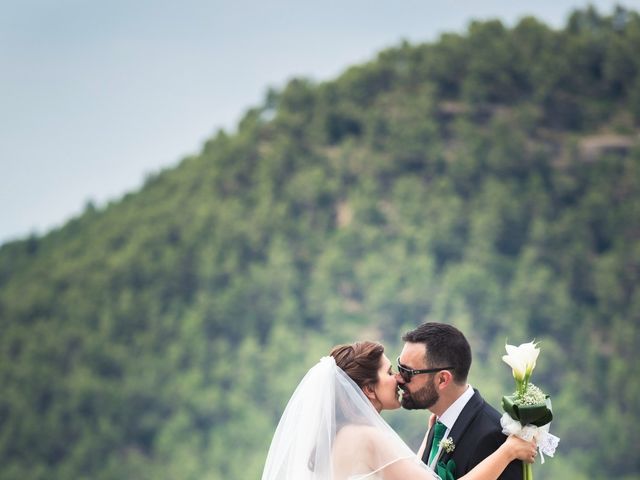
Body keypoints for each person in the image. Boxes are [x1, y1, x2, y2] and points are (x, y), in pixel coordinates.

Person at [261, 340, 536, 480]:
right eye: (390, 372)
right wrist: (508, 451)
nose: (399, 379)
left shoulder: (344, 435)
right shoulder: (366, 436)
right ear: (369, 389)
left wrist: (430, 438)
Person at [398, 323, 521, 479]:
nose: (399, 378)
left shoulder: (493, 436)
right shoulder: (437, 425)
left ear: (442, 379)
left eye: (407, 372)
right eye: (399, 367)